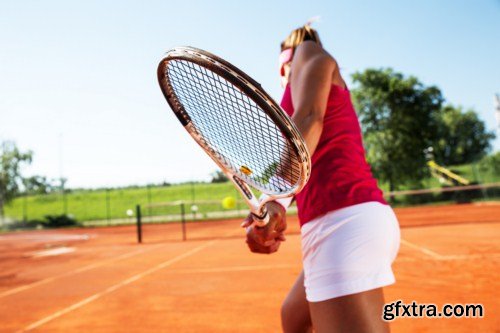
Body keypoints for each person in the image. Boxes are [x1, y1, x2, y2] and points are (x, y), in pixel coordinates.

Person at [242, 23, 401, 332]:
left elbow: (310, 118)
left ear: (285, 59)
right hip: (339, 224)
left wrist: (275, 200)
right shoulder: (307, 79)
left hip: (343, 223)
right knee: (294, 317)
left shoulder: (307, 52)